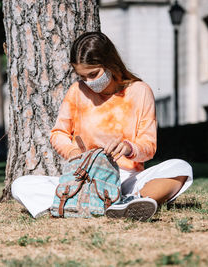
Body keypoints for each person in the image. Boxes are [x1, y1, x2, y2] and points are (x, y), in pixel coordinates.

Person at [11, 32, 193, 221]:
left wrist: (129, 148)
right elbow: (58, 133)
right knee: (20, 185)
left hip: (126, 179)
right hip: (84, 178)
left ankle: (125, 201)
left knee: (181, 168)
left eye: (93, 74)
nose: (89, 83)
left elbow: (149, 147)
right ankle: (97, 203)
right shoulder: (77, 91)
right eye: (82, 76)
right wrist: (74, 153)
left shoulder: (140, 91)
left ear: (110, 64)